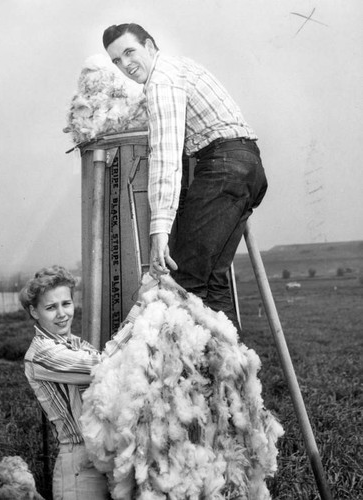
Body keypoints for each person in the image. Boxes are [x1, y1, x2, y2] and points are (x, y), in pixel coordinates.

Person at [103, 23, 268, 327]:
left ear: (150, 46)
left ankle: (207, 371)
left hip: (223, 168)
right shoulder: (178, 68)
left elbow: (166, 156)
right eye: (116, 60)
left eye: (129, 52)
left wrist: (159, 230)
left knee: (186, 282)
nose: (125, 65)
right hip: (247, 167)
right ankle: (230, 372)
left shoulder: (161, 81)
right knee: (211, 282)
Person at [20, 265, 110, 500]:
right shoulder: (42, 353)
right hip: (79, 466)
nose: (62, 314)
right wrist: (141, 312)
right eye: (51, 307)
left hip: (100, 455)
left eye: (66, 304)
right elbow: (105, 367)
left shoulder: (77, 344)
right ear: (34, 311)